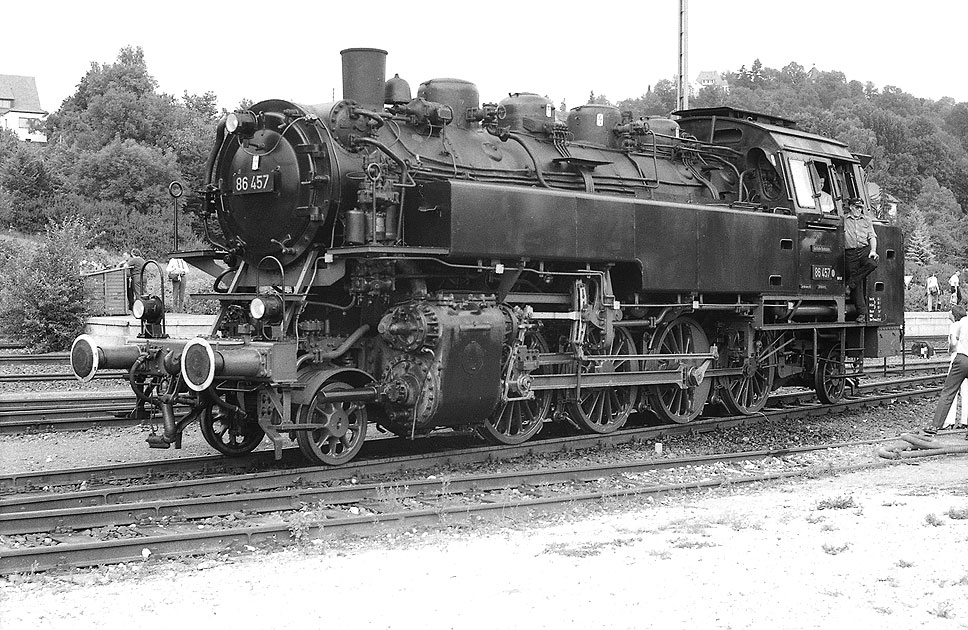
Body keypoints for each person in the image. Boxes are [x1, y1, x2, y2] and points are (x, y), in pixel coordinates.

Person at [925, 304, 968, 435]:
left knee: (948, 392)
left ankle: (935, 426)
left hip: (962, 359)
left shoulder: (958, 324)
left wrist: (952, 351)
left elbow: (953, 344)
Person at [843, 198, 878, 323]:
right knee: (858, 286)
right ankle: (862, 313)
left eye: (860, 208)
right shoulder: (844, 220)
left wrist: (873, 250)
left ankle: (850, 283)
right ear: (851, 207)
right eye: (857, 207)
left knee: (872, 263)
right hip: (850, 252)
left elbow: (872, 236)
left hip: (863, 250)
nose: (859, 210)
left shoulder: (867, 220)